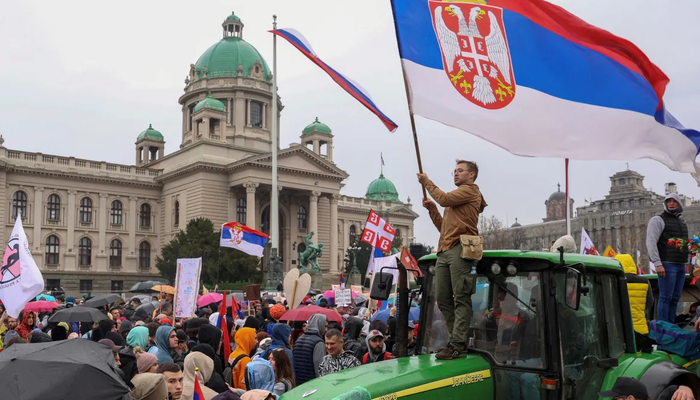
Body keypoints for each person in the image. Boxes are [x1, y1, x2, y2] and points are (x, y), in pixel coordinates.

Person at [418, 160, 486, 360]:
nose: (455, 174)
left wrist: (427, 182)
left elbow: (444, 199)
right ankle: (457, 340)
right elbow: (443, 228)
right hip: (445, 248)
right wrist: (432, 210)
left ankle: (458, 344)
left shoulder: (471, 191)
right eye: (454, 171)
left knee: (461, 297)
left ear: (471, 174)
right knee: (443, 298)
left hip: (460, 249)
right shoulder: (455, 199)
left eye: (460, 171)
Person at [647, 192, 690, 323]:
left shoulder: (681, 221)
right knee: (665, 298)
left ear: (679, 203)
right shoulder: (658, 220)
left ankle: (672, 328)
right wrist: (657, 263)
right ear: (665, 203)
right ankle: (664, 329)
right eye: (668, 201)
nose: (671, 203)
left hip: (681, 264)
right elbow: (651, 241)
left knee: (675, 298)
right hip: (667, 264)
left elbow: (683, 243)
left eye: (674, 201)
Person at [615, 254, 655, 351]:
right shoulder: (644, 281)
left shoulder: (613, 280)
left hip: (619, 331)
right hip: (640, 330)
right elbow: (650, 303)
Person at [292, 314, 328, 385]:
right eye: (325, 326)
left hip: (299, 383)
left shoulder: (299, 339)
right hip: (313, 384)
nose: (326, 329)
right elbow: (320, 368)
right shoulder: (318, 342)